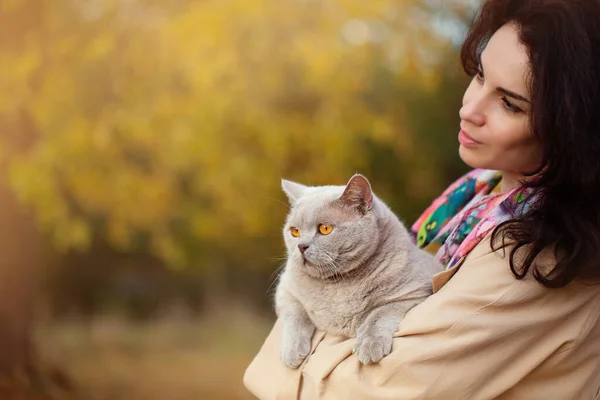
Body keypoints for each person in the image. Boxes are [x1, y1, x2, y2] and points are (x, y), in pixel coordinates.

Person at [244, 0, 600, 398]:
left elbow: (373, 390)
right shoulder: (474, 197)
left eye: (509, 103)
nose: (470, 109)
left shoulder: (538, 259)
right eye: (480, 75)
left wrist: (298, 320)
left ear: (574, 129)